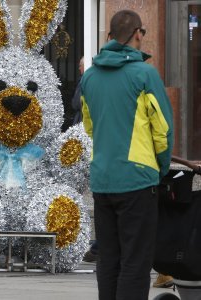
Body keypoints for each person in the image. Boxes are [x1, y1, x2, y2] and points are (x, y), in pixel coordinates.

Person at [81, 10, 174, 300]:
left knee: (109, 258)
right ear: (138, 34)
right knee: (136, 260)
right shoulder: (145, 75)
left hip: (102, 179)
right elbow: (162, 130)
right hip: (137, 180)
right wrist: (161, 168)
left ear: (109, 37)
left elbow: (89, 125)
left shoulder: (90, 77)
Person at [71, 57, 84, 125]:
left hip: (82, 118)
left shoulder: (83, 80)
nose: (79, 68)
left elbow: (76, 103)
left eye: (80, 66)